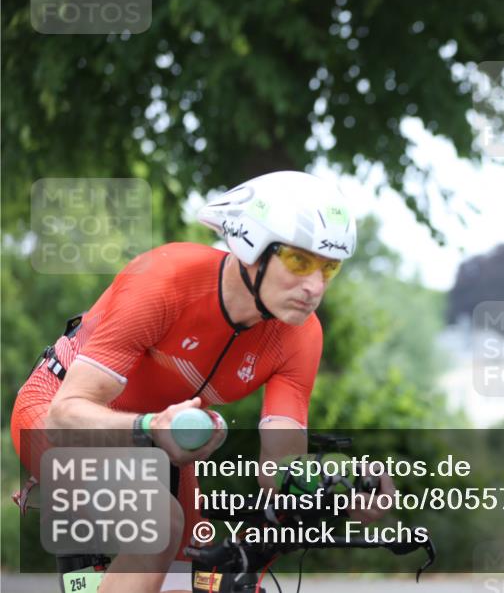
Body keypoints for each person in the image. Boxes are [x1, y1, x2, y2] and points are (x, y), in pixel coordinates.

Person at [10, 171, 394, 593]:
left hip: (167, 441)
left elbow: (279, 470)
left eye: (329, 268)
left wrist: (342, 482)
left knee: (204, 573)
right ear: (250, 246)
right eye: (300, 262)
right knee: (158, 522)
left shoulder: (301, 334)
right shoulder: (165, 279)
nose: (315, 287)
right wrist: (150, 428)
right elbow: (66, 413)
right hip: (58, 415)